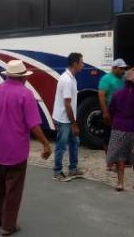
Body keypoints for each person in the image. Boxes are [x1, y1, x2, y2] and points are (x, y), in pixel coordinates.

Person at [0, 60, 52, 236]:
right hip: (17, 151)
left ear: (7, 75)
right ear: (23, 78)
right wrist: (46, 144)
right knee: (14, 188)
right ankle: (8, 226)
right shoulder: (26, 95)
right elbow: (34, 125)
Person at [98, 53, 134, 169]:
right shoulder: (106, 79)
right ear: (114, 68)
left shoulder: (123, 75)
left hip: (119, 111)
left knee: (119, 136)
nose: (123, 71)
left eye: (124, 69)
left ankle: (121, 160)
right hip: (109, 111)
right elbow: (101, 96)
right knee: (108, 137)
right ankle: (109, 162)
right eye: (121, 68)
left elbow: (133, 70)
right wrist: (105, 112)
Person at [106, 70, 134, 191]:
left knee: (120, 156)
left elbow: (111, 110)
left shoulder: (117, 94)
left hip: (118, 128)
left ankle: (120, 183)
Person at [52, 52, 85, 182]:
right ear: (75, 63)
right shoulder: (66, 80)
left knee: (74, 142)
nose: (83, 64)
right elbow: (67, 104)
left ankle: (73, 169)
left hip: (67, 118)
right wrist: (74, 124)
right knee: (62, 145)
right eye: (81, 62)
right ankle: (57, 171)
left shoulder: (71, 78)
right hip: (63, 119)